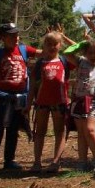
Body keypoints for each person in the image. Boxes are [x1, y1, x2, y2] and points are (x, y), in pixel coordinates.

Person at [0, 23, 39, 172]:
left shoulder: (24, 50)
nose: (16, 38)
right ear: (4, 37)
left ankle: (9, 161)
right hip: (2, 96)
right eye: (12, 36)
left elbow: (42, 53)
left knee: (13, 130)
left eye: (17, 35)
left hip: (18, 97)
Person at [64, 38, 95, 173]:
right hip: (79, 101)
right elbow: (67, 53)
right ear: (85, 53)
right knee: (81, 133)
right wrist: (81, 44)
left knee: (90, 130)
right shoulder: (80, 61)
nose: (93, 56)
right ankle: (82, 161)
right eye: (90, 53)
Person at [27, 31, 70, 173]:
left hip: (59, 102)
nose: (52, 47)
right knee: (40, 132)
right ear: (44, 45)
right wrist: (28, 104)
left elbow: (80, 49)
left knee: (59, 132)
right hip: (42, 102)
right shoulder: (39, 64)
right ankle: (37, 162)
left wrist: (65, 38)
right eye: (49, 44)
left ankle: (56, 162)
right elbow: (32, 84)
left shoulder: (65, 61)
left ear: (60, 45)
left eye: (55, 44)